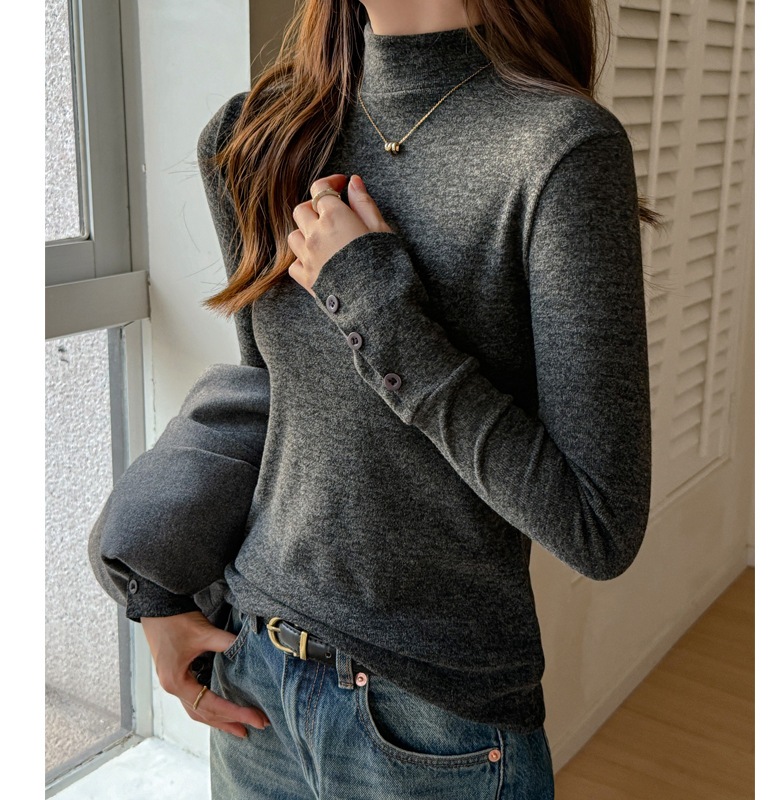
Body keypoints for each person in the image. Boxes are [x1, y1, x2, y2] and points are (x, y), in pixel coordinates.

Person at [89, 1, 657, 797]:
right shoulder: (255, 134)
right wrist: (156, 586)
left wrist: (375, 307)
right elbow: (268, 404)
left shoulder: (558, 150)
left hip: (435, 726)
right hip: (256, 678)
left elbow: (598, 526)